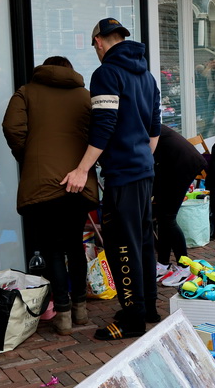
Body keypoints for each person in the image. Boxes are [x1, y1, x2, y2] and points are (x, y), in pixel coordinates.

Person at [62, 18, 161, 341]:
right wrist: (141, 158)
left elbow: (104, 125)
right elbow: (154, 130)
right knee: (143, 242)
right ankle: (146, 308)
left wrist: (82, 169)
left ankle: (132, 320)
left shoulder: (106, 73)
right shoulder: (146, 75)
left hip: (123, 175)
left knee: (122, 246)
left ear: (99, 42)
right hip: (144, 171)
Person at [2, 56, 98, 336]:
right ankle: (81, 309)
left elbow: (11, 127)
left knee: (53, 248)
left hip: (42, 185)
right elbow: (99, 132)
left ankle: (63, 315)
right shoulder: (85, 96)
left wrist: (30, 157)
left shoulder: (26, 92)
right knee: (74, 245)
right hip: (78, 182)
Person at [152, 124, 207, 289]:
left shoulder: (139, 122)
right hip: (170, 163)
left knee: (168, 217)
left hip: (182, 163)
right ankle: (163, 264)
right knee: (162, 215)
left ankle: (185, 267)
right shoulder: (139, 119)